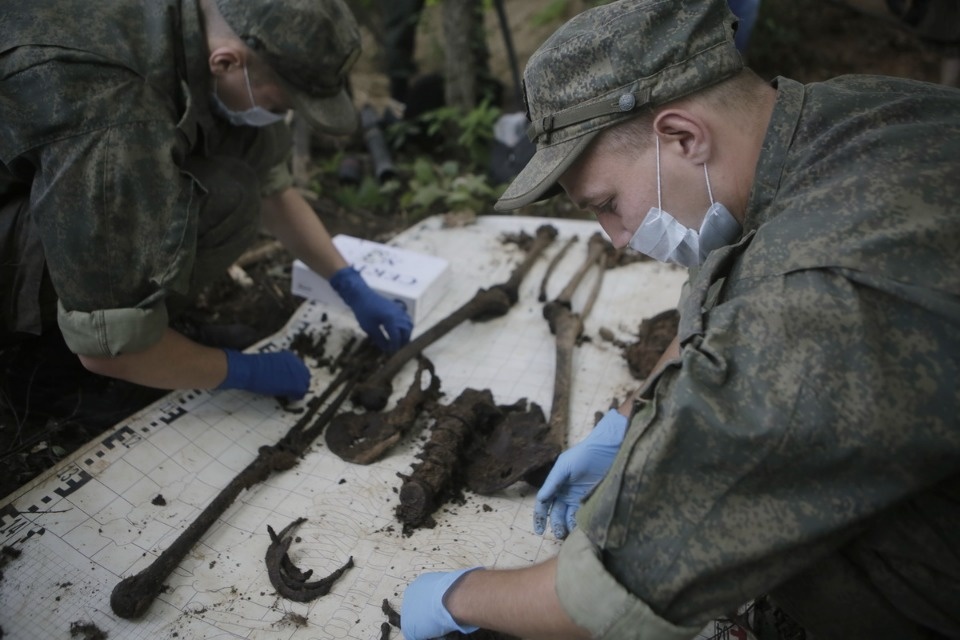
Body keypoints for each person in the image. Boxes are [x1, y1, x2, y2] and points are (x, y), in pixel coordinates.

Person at [398, 1, 960, 639]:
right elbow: (732, 277)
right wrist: (629, 416)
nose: (613, 240)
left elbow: (600, 603)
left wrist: (461, 596)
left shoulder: (813, 299)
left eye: (608, 204)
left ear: (685, 137)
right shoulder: (856, 113)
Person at [0, 0, 412, 402]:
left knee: (234, 190)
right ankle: (50, 366)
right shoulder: (116, 114)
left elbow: (272, 186)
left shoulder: (200, 28)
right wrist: (241, 372)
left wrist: (349, 283)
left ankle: (158, 333)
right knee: (117, 337)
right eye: (278, 105)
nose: (278, 116)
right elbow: (105, 352)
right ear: (227, 62)